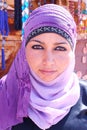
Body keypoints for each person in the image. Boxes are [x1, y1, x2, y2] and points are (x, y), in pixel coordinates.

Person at [0, 3, 87, 130]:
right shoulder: (5, 95)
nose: (48, 61)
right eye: (37, 47)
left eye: (60, 48)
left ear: (72, 51)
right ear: (24, 50)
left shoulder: (84, 96)